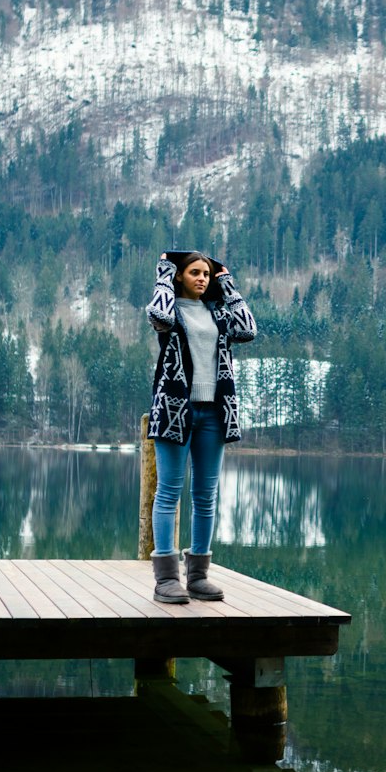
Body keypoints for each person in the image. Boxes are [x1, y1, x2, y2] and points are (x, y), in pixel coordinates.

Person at [146, 250, 256, 602]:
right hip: (175, 410)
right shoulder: (171, 309)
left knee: (205, 496)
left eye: (206, 274)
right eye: (194, 272)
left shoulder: (218, 312)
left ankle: (197, 576)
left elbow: (248, 329)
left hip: (214, 412)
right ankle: (166, 579)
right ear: (180, 276)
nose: (201, 278)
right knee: (169, 492)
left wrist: (227, 284)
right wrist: (164, 274)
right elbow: (157, 314)